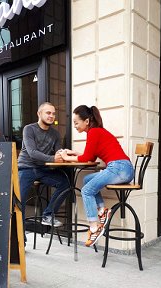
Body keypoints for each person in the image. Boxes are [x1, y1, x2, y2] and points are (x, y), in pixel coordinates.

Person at [59, 105, 134, 247]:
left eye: (76, 122)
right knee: (87, 179)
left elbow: (87, 157)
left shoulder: (94, 132)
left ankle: (94, 227)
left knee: (87, 190)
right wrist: (74, 154)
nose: (74, 126)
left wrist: (65, 157)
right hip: (124, 168)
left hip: (119, 168)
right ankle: (101, 211)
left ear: (86, 121)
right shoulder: (96, 132)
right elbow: (91, 157)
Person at [18, 102, 70, 241]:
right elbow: (32, 152)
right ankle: (20, 239)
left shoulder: (55, 134)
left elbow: (58, 151)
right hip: (26, 167)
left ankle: (48, 214)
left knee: (65, 183)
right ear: (39, 114)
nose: (51, 116)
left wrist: (64, 155)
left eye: (53, 113)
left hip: (43, 169)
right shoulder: (29, 129)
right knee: (19, 202)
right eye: (48, 113)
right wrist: (54, 158)